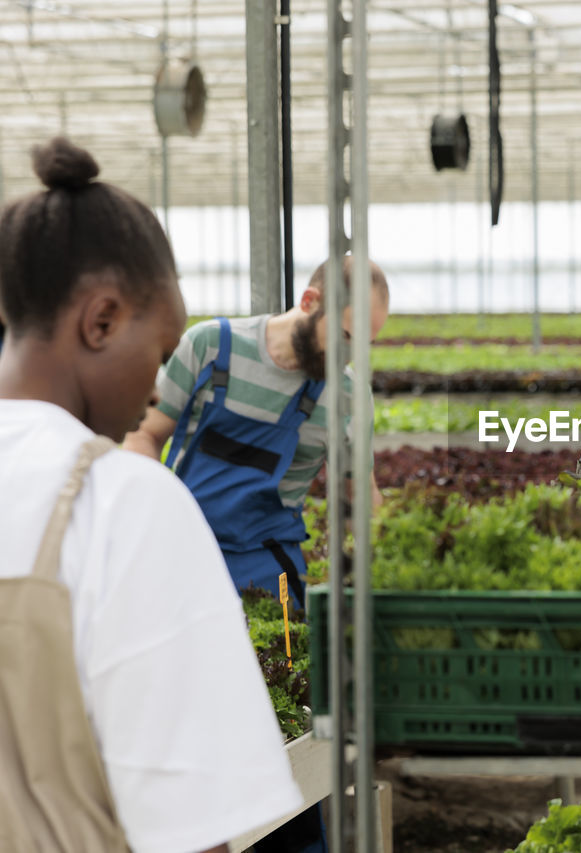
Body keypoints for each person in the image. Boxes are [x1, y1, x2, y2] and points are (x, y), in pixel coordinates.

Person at [0, 137, 302, 851]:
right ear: (101, 321)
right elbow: (192, 831)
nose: (160, 383)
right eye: (162, 351)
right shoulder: (118, 504)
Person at [124, 255, 389, 613]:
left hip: (269, 565)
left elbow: (358, 492)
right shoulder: (212, 346)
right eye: (344, 336)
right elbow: (145, 434)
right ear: (309, 301)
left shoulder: (347, 397)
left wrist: (392, 564)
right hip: (181, 547)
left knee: (287, 659)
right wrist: (152, 515)